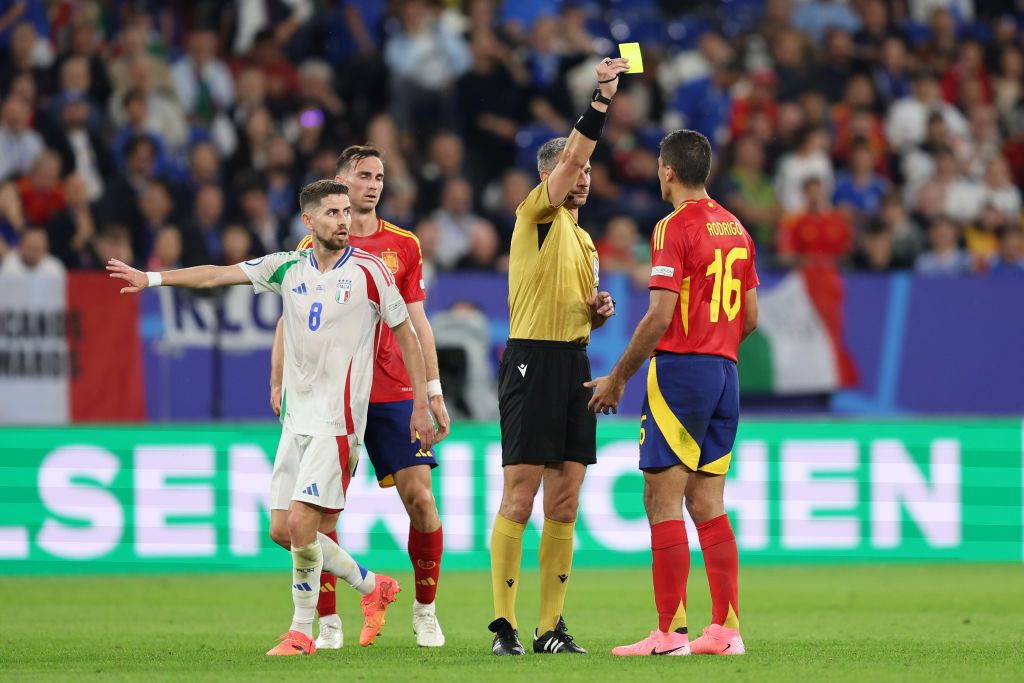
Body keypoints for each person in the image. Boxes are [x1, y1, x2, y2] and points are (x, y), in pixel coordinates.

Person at [108, 180, 437, 656]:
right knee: (281, 531)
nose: (344, 221)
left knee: (304, 526)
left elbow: (406, 332)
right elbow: (216, 276)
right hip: (297, 422)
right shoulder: (285, 267)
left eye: (346, 212)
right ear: (308, 221)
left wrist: (423, 402)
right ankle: (372, 587)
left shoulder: (370, 273)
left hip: (338, 423)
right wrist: (154, 279)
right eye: (332, 213)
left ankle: (301, 632)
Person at [586, 129, 759, 657]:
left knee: (661, 499)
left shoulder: (672, 227)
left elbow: (660, 315)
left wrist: (617, 377)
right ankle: (725, 631)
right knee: (708, 502)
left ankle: (670, 633)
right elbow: (751, 317)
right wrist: (718, 341)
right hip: (726, 373)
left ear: (667, 170)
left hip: (682, 372)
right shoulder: (738, 229)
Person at [275, 145, 452, 649]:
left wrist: (432, 391)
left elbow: (416, 322)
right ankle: (328, 622)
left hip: (395, 393)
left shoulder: (404, 245)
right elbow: (290, 317)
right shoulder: (313, 244)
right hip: (334, 396)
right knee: (323, 516)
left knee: (421, 499)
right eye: (363, 176)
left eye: (379, 176)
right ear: (340, 182)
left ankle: (425, 610)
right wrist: (278, 378)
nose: (374, 184)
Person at [488, 56, 626, 657]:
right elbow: (572, 156)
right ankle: (504, 626)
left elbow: (574, 306)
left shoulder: (586, 240)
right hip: (530, 361)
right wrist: (600, 100)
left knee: (566, 498)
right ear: (551, 177)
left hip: (572, 363)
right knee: (520, 494)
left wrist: (595, 313)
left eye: (590, 170)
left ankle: (549, 628)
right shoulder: (535, 216)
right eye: (576, 169)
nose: (585, 177)